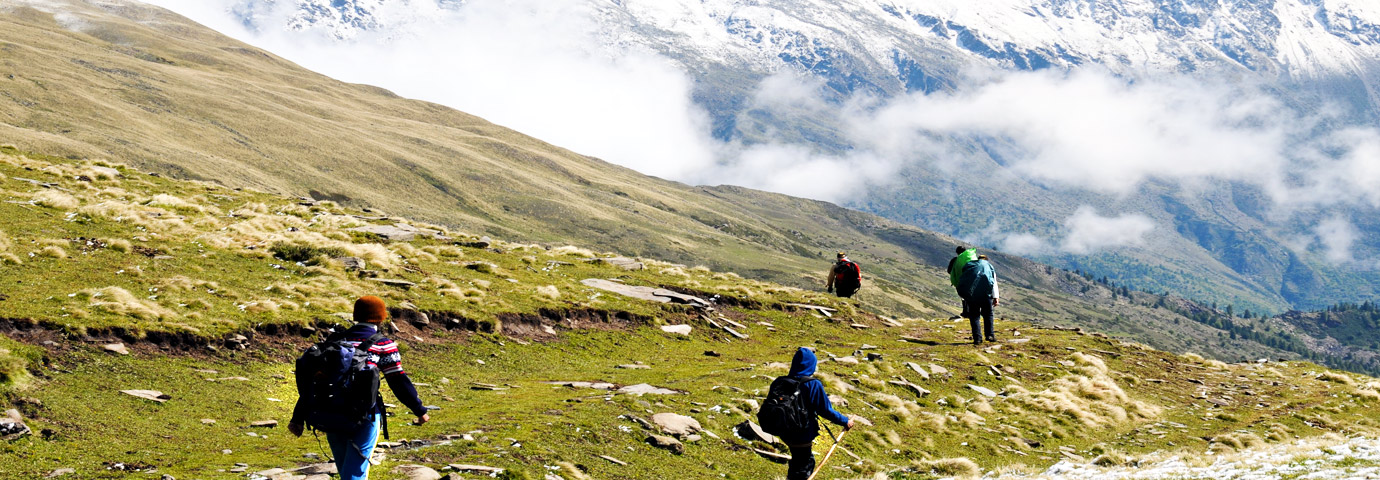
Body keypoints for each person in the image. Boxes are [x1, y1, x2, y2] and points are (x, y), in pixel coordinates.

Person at [289, 296, 431, 480]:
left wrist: (298, 418)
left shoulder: (334, 342)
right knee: (355, 473)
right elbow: (398, 381)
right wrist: (419, 410)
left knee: (346, 471)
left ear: (355, 315)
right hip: (365, 415)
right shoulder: (383, 344)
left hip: (330, 412)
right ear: (381, 317)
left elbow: (312, 383)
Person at [774, 347, 854, 480]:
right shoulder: (813, 384)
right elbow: (825, 410)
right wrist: (845, 421)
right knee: (804, 466)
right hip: (801, 433)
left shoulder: (779, 382)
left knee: (798, 460)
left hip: (783, 431)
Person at [958, 255, 1000, 345]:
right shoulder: (988, 266)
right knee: (988, 314)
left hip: (972, 295)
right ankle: (990, 335)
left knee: (974, 316)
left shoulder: (971, 266)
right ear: (986, 260)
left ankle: (977, 338)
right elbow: (993, 282)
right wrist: (996, 296)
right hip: (986, 295)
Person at [947, 246, 976, 319]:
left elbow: (949, 270)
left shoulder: (955, 260)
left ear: (957, 252)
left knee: (963, 297)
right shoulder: (972, 259)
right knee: (971, 296)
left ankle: (965, 312)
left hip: (960, 282)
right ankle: (971, 312)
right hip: (972, 281)